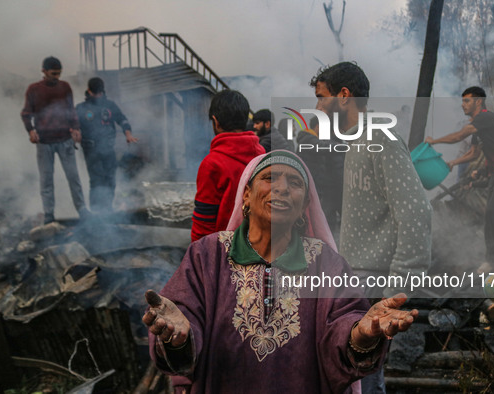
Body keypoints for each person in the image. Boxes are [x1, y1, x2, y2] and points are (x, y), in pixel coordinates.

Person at [143, 151, 418, 393]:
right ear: (246, 196)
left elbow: (346, 322)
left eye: (295, 183)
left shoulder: (326, 263)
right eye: (270, 178)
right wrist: (179, 335)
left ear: (303, 209)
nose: (283, 188)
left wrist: (362, 333)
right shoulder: (208, 255)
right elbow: (184, 318)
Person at [310, 62, 432, 394]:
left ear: (344, 96)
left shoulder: (381, 138)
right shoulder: (356, 141)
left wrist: (398, 288)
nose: (318, 107)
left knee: (364, 380)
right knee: (354, 374)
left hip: (373, 279)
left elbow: (416, 211)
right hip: (355, 276)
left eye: (322, 98)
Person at [426, 86, 494, 270]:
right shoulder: (479, 127)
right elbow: (474, 154)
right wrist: (454, 162)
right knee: (489, 217)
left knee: (492, 212)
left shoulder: (485, 117)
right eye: (462, 101)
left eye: (467, 101)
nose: (463, 105)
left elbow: (459, 136)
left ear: (478, 101)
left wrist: (433, 141)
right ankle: (491, 259)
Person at [21, 56, 88, 224]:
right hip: (44, 142)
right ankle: (49, 215)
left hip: (65, 139)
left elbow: (71, 111)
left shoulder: (65, 87)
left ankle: (82, 210)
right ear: (44, 71)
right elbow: (26, 113)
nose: (57, 77)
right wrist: (30, 131)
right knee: (46, 180)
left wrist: (77, 129)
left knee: (73, 177)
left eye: (59, 74)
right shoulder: (33, 89)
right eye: (53, 74)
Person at [191, 90, 265, 242]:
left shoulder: (212, 163)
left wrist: (197, 257)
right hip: (259, 246)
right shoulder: (261, 155)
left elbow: (204, 223)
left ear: (215, 121)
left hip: (227, 251)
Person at [75, 77, 137, 213]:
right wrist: (75, 132)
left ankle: (107, 209)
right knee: (97, 181)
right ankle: (96, 211)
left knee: (110, 179)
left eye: (100, 93)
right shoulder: (81, 108)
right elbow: (73, 124)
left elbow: (122, 119)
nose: (98, 96)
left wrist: (128, 133)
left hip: (108, 148)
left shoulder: (110, 105)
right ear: (89, 91)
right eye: (95, 93)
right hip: (90, 149)